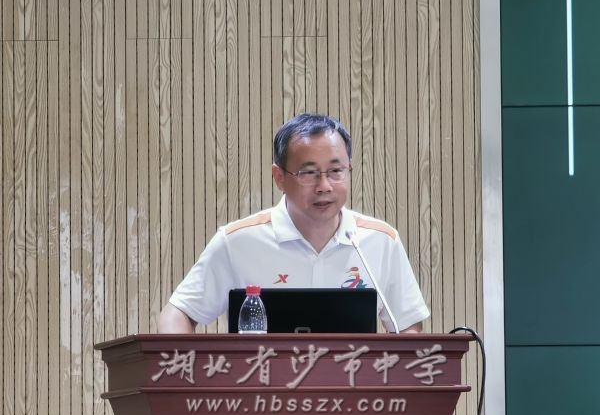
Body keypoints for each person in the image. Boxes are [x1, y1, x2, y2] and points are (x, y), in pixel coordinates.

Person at [158, 113, 429, 333]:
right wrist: (183, 371)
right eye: (308, 173)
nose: (324, 186)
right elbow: (179, 312)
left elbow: (408, 328)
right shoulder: (237, 241)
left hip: (353, 385)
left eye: (336, 171)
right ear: (279, 177)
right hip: (260, 385)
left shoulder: (381, 241)